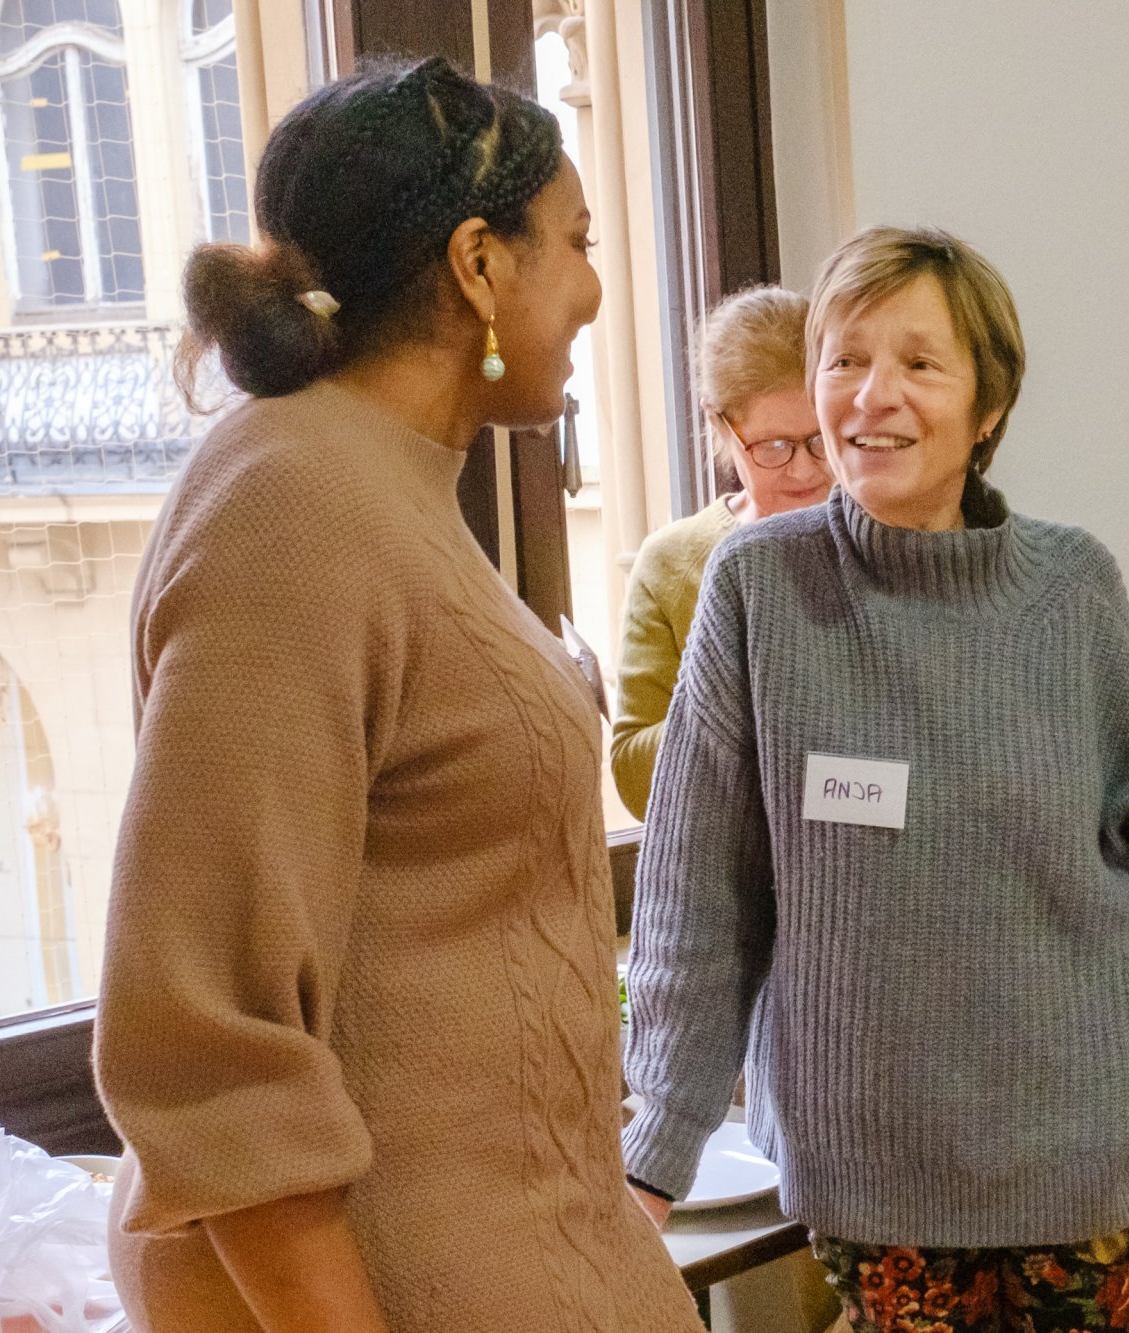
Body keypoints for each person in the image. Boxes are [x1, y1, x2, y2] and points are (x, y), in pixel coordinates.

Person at [92, 57, 703, 1333]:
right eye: (577, 242)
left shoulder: (386, 479)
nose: (594, 289)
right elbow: (206, 1036)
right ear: (478, 264)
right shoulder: (291, 500)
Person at [620, 225, 1129, 1333]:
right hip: (873, 1174)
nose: (872, 394)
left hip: (1094, 1155)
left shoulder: (1071, 589)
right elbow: (697, 896)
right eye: (844, 358)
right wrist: (657, 1145)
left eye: (918, 363)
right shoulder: (757, 589)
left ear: (988, 407)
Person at [611, 285, 830, 820]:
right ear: (719, 425)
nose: (804, 470)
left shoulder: (890, 539)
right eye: (772, 447)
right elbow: (634, 777)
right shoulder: (673, 562)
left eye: (822, 439)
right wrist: (738, 691)